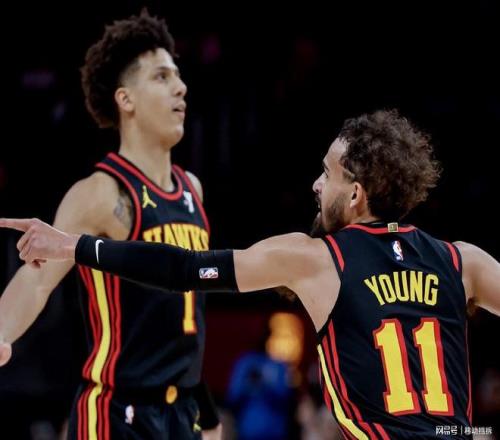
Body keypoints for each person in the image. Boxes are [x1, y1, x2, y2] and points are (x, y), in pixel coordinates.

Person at [3, 109, 500, 439]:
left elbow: (183, 267)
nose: (316, 184)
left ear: (355, 195)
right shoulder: (464, 261)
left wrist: (74, 246)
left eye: (327, 173)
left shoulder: (317, 258)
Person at [0, 10, 221, 440]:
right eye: (161, 77)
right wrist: (2, 331)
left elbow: (185, 320)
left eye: (178, 76)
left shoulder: (192, 190)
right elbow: (38, 279)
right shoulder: (102, 193)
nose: (180, 87)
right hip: (117, 413)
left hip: (182, 412)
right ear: (126, 99)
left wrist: (206, 412)